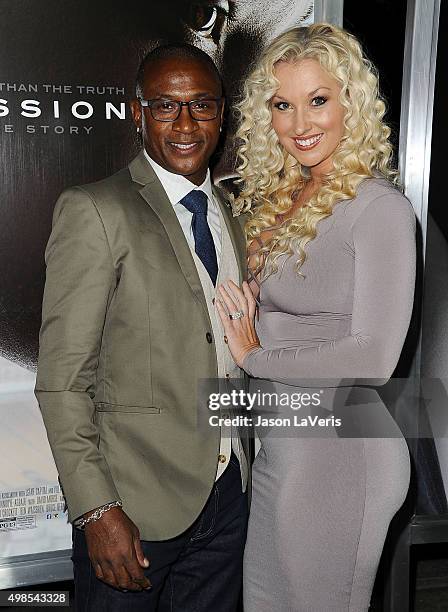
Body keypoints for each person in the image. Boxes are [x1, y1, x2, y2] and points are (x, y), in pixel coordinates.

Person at [35, 44, 249, 611]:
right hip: (133, 511)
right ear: (137, 112)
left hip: (228, 504)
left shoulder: (235, 216)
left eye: (201, 105)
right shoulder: (96, 211)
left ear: (222, 114)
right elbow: (61, 383)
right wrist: (97, 510)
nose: (184, 123)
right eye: (165, 106)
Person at [216, 23, 416, 611]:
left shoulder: (380, 209)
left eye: (319, 100)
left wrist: (257, 353)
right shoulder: (289, 200)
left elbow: (375, 356)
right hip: (286, 441)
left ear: (350, 104)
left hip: (341, 454)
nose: (301, 124)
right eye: (283, 104)